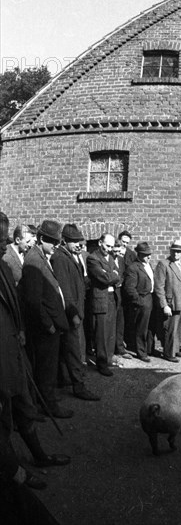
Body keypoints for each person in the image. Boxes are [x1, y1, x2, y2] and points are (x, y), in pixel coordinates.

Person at [0, 212, 70, 496]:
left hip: (13, 354)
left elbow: (15, 308)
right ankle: (14, 475)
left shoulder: (3, 268)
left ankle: (38, 456)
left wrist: (19, 334)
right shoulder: (24, 263)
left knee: (25, 407)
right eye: (0, 240)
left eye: (4, 239)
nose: (4, 246)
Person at [19, 220, 72, 419]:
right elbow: (33, 300)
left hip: (50, 325)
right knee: (46, 369)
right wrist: (48, 324)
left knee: (47, 367)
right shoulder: (34, 260)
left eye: (58, 241)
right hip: (44, 329)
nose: (56, 246)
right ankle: (49, 407)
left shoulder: (41, 256)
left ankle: (45, 402)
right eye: (52, 242)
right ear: (41, 239)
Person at [50, 224, 100, 401]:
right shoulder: (61, 259)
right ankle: (79, 386)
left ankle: (64, 380)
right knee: (73, 350)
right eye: (74, 241)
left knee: (69, 349)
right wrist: (73, 314)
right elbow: (64, 289)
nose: (79, 244)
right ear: (64, 241)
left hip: (75, 311)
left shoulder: (70, 256)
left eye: (80, 241)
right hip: (70, 314)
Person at [87, 233, 120, 376]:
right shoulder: (93, 258)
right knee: (101, 333)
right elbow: (105, 278)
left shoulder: (111, 257)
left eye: (112, 246)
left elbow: (117, 275)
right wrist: (112, 275)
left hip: (112, 297)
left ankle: (109, 358)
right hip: (101, 299)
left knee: (111, 331)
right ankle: (101, 363)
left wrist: (112, 274)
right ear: (100, 243)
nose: (109, 249)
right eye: (107, 246)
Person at [154, 239, 181, 363]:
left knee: (179, 328)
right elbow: (159, 287)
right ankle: (168, 353)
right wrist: (164, 305)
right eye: (174, 251)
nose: (176, 254)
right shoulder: (163, 264)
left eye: (179, 252)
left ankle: (175, 349)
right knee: (170, 329)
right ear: (170, 250)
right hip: (171, 303)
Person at [124, 242, 155, 362]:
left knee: (150, 326)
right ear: (139, 254)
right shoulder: (133, 267)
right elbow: (130, 288)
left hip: (151, 298)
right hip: (142, 300)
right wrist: (139, 302)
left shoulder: (148, 265)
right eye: (145, 255)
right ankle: (141, 352)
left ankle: (149, 349)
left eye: (149, 254)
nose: (148, 257)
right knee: (141, 328)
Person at [111, 240, 132, 361]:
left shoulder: (120, 260)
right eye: (115, 251)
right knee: (111, 322)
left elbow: (124, 274)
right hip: (110, 292)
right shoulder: (108, 259)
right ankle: (111, 349)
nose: (117, 254)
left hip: (120, 292)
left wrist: (121, 281)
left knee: (120, 321)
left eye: (119, 251)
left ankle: (119, 347)